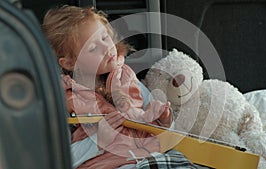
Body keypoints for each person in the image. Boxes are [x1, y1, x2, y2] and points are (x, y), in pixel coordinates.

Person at [42, 5, 173, 169]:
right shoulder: (64, 100)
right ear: (69, 63)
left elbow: (157, 126)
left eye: (104, 38)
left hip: (149, 156)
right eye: (93, 48)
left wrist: (162, 121)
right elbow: (57, 159)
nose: (106, 48)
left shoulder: (126, 78)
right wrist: (98, 142)